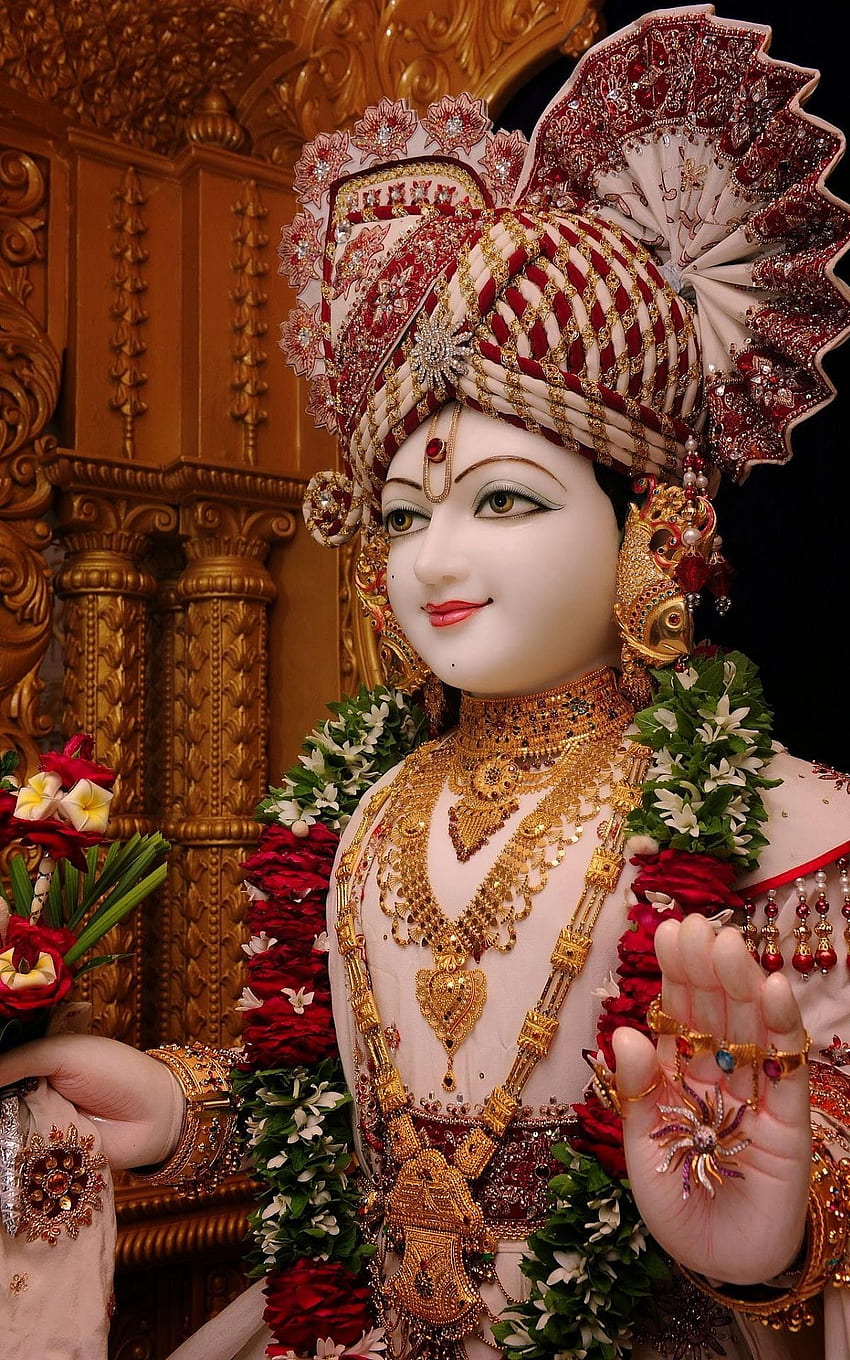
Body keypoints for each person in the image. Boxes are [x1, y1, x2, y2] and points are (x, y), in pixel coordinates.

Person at [2, 5, 850, 1358]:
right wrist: (175, 1112)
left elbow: (806, 1173)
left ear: (650, 525)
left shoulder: (787, 823)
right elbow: (333, 1111)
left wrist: (773, 1244)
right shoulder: (371, 807)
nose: (434, 559)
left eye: (502, 501)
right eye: (402, 515)